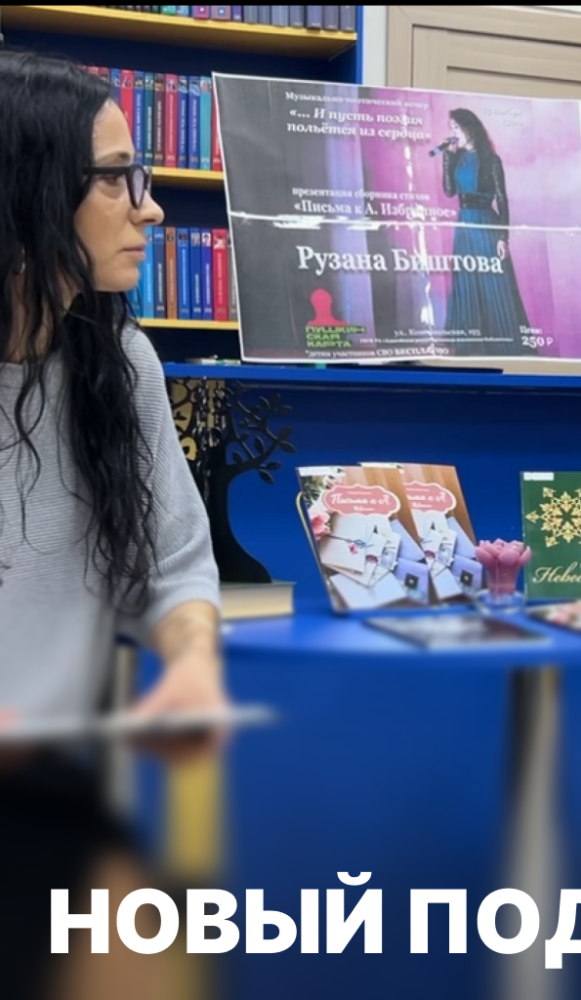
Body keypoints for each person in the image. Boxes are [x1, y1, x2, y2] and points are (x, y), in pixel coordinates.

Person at [0, 50, 227, 1000]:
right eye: (118, 179)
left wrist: (192, 663)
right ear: (30, 189)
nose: (152, 208)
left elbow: (174, 563)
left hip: (47, 797)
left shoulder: (121, 361)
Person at [438, 108, 535, 358]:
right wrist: (447, 158)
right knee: (467, 279)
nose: (453, 133)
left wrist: (503, 238)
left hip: (486, 223)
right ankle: (468, 343)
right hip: (465, 224)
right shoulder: (456, 157)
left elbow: (502, 200)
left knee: (494, 280)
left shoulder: (491, 160)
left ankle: (503, 343)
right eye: (451, 128)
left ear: (469, 128)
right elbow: (449, 191)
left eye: (456, 127)